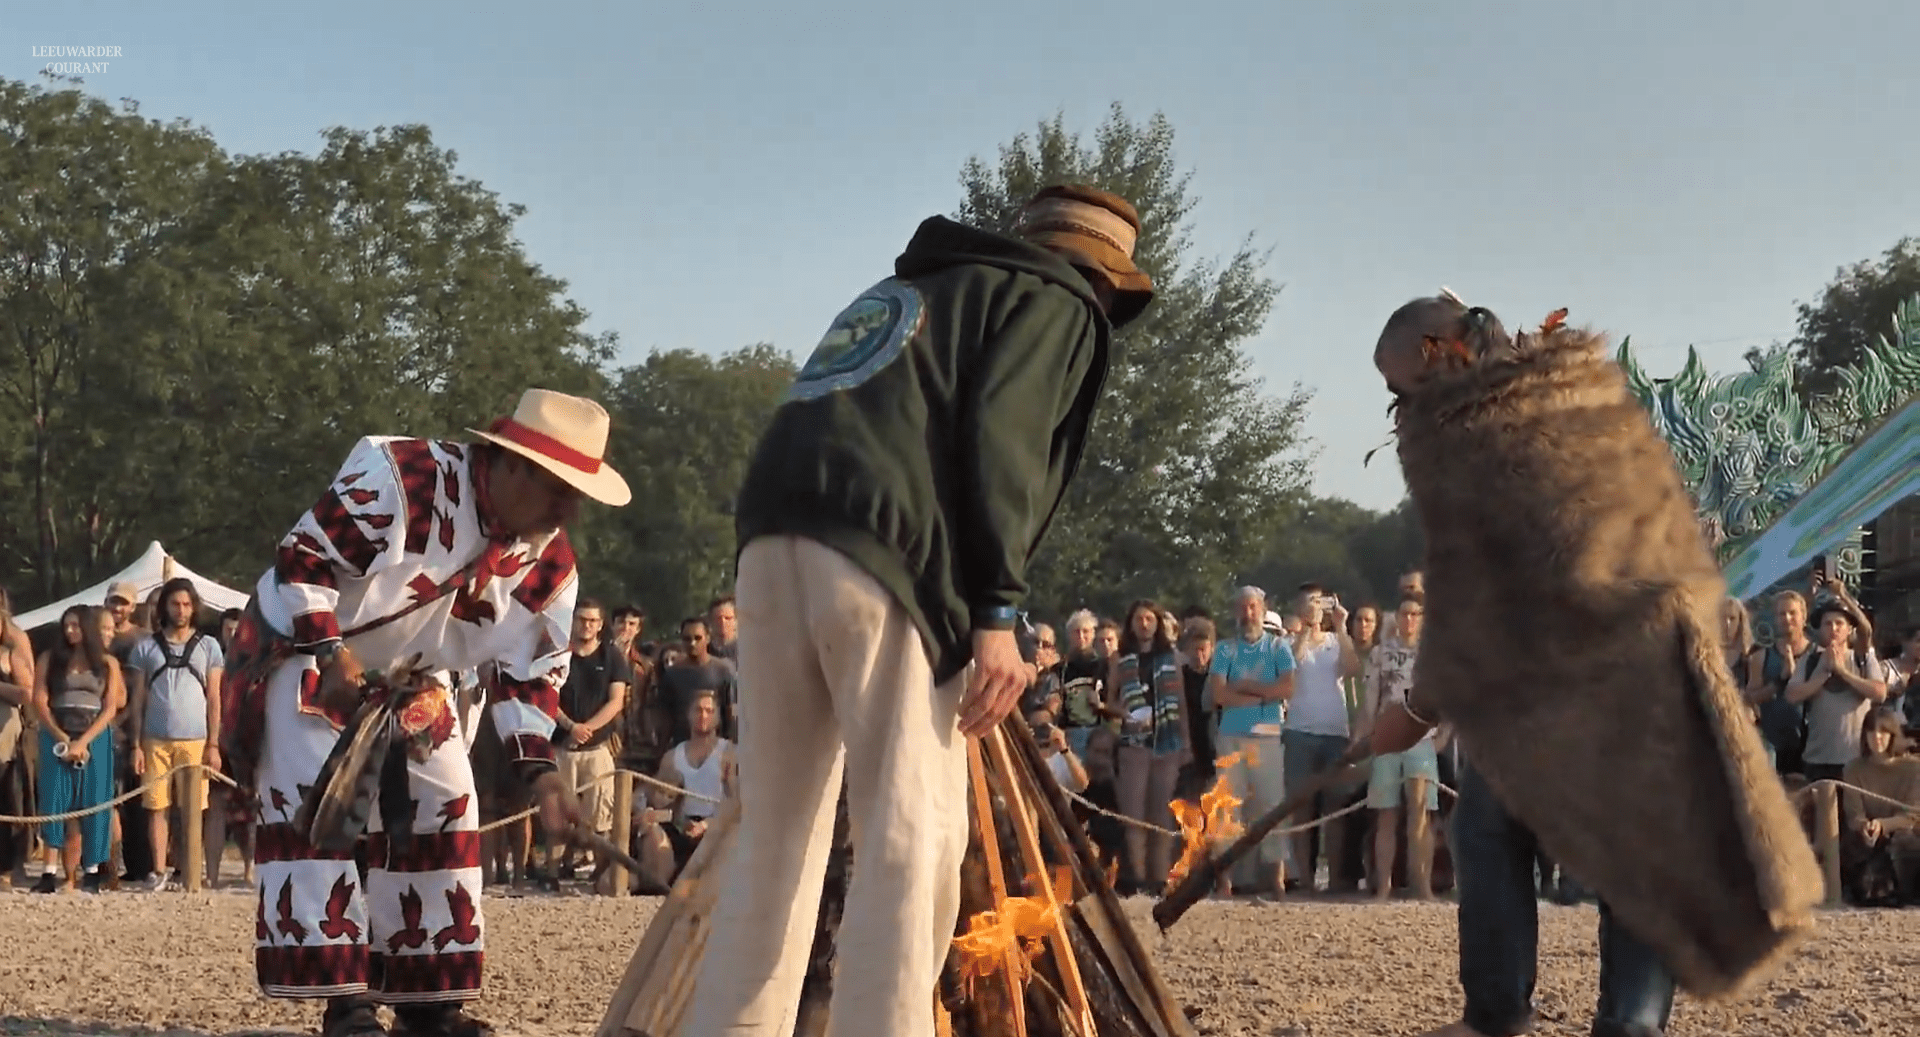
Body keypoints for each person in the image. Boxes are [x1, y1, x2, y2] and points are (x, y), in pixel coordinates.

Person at [684, 183, 1154, 1037]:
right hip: (887, 554)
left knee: (775, 839)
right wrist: (998, 613)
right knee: (913, 834)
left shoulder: (910, 290)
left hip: (769, 538)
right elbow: (1005, 440)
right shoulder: (1058, 300)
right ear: (1102, 279)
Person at [220, 388, 629, 1037]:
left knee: (446, 800)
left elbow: (527, 678)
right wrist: (330, 652)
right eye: (560, 490)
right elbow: (303, 557)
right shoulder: (405, 478)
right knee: (321, 809)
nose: (568, 510)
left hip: (413, 672)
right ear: (515, 466)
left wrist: (544, 777)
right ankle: (347, 1005)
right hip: (307, 641)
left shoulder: (548, 565)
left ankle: (428, 1003)